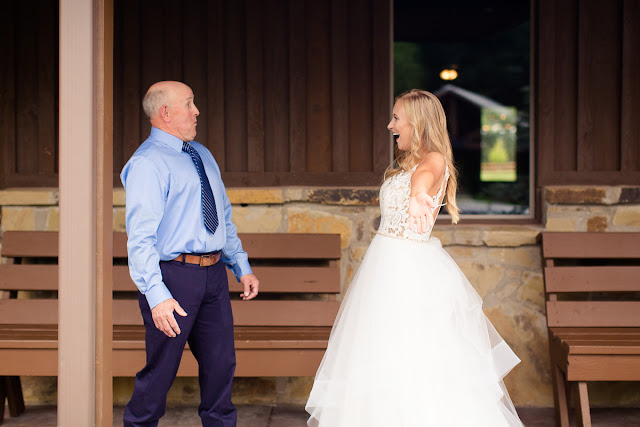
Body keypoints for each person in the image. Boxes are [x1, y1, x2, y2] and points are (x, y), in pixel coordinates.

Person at [305, 89, 524, 426]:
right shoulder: (407, 162)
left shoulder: (433, 160)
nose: (390, 125)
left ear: (417, 123)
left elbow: (423, 181)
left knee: (412, 357)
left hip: (407, 273)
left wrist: (418, 194)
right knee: (381, 356)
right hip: (385, 269)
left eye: (396, 118)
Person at [121, 81, 259, 427]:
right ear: (165, 113)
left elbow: (221, 216)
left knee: (221, 366)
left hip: (214, 276)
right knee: (160, 372)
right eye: (189, 104)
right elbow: (140, 239)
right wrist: (157, 296)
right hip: (173, 280)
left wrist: (240, 266)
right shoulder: (147, 164)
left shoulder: (201, 154)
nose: (196, 111)